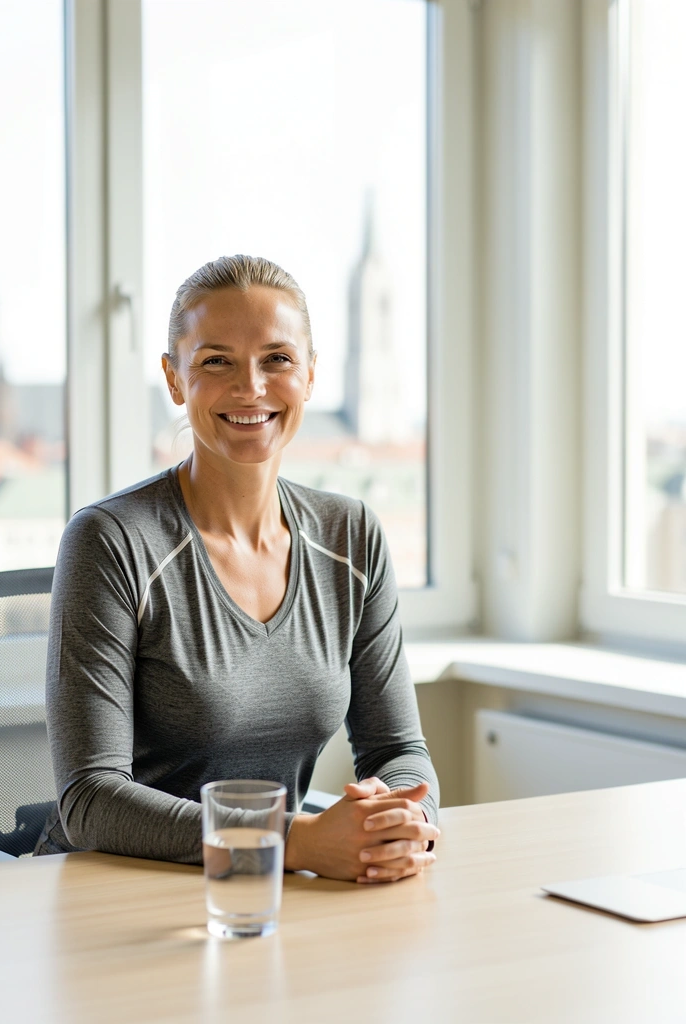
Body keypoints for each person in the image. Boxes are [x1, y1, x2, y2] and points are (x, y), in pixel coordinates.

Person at [35, 254, 440, 884]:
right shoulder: (110, 540)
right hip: (113, 894)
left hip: (260, 892)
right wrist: (291, 842)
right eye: (216, 362)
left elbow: (398, 752)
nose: (251, 387)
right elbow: (90, 799)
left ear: (310, 375)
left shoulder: (351, 535)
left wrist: (401, 825)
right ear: (174, 380)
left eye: (277, 359)